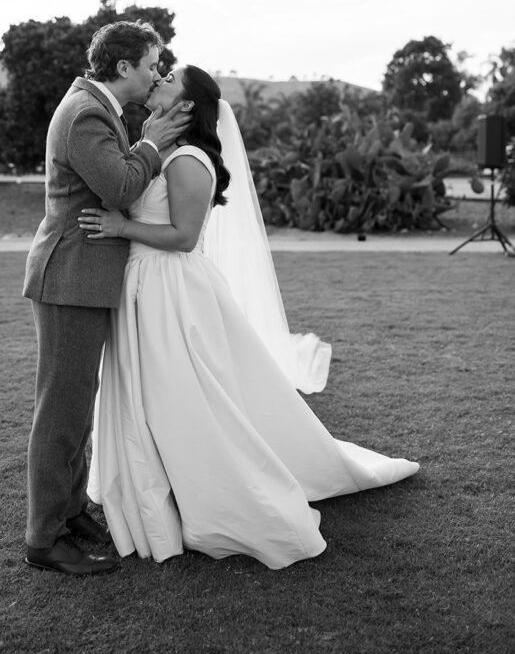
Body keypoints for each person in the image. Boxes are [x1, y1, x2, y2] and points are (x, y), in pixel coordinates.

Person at [78, 65, 419, 570]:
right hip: (148, 285)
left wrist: (121, 226)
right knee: (157, 393)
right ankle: (161, 480)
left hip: (168, 290)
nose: (160, 77)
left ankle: (214, 491)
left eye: (168, 77)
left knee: (180, 394)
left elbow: (184, 238)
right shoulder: (161, 150)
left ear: (188, 105)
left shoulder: (188, 159)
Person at [23, 21, 192, 576]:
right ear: (124, 68)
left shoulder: (99, 107)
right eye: (151, 63)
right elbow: (119, 187)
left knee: (75, 404)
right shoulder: (86, 115)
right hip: (70, 278)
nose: (156, 73)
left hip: (84, 278)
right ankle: (43, 539)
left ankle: (70, 512)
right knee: (62, 411)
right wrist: (151, 145)